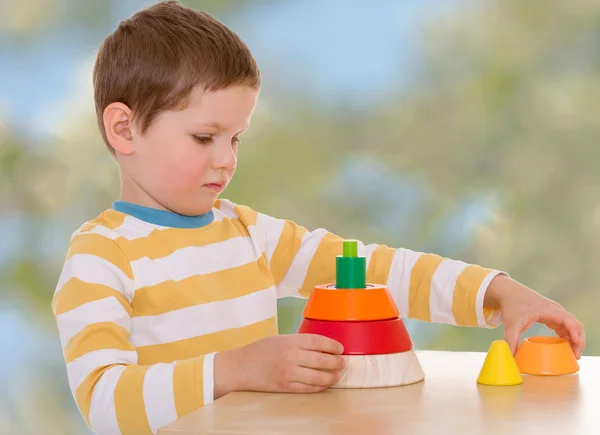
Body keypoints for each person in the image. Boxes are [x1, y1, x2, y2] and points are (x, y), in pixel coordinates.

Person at [51, 1, 586, 434]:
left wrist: (496, 292)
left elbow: (371, 271)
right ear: (124, 130)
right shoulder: (100, 257)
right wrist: (235, 370)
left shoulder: (248, 234)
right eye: (203, 137)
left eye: (235, 138)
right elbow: (104, 400)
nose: (226, 159)